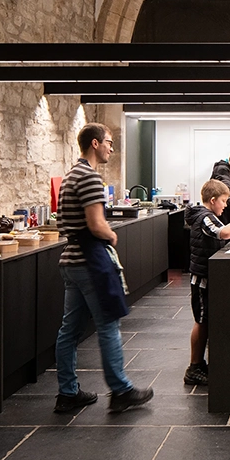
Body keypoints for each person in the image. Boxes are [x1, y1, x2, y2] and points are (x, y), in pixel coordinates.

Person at [54, 123, 153, 414]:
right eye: (109, 142)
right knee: (108, 325)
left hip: (71, 261)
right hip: (90, 262)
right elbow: (96, 225)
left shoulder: (71, 175)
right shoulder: (90, 177)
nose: (112, 147)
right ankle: (121, 390)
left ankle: (67, 392)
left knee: (69, 331)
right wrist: (110, 235)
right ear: (95, 143)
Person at [184, 178, 230, 386]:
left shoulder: (209, 215)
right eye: (223, 201)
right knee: (201, 321)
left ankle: (200, 363)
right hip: (202, 278)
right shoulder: (205, 217)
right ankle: (194, 367)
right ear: (213, 200)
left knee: (205, 320)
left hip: (207, 275)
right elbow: (224, 233)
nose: (225, 205)